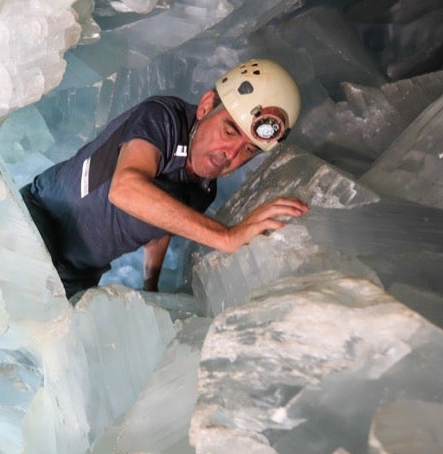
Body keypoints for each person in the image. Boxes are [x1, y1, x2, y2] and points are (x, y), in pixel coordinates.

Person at [21, 58, 309, 298]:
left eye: (249, 149)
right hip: (39, 220)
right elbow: (125, 188)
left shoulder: (203, 190)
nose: (230, 153)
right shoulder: (164, 118)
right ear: (206, 106)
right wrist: (227, 236)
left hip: (79, 271)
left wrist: (151, 285)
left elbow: (162, 224)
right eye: (229, 131)